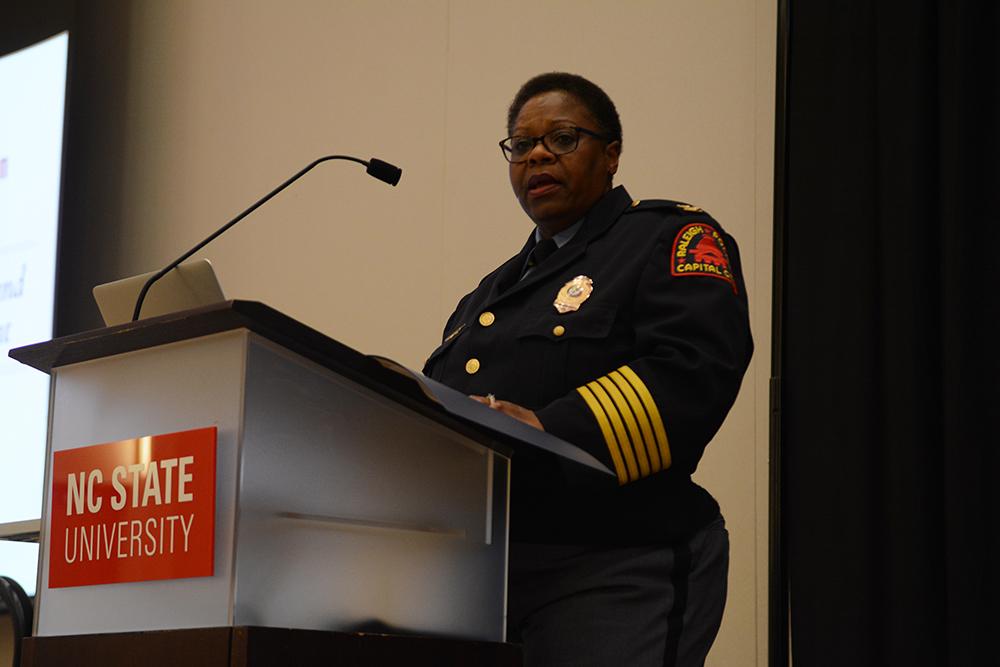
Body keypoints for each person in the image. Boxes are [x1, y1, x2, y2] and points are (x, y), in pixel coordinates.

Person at [422, 72, 752, 667]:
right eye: (521, 146)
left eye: (563, 138)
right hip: (486, 577)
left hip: (614, 561)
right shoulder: (485, 299)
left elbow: (695, 368)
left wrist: (548, 431)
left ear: (612, 155)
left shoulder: (667, 237)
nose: (538, 155)